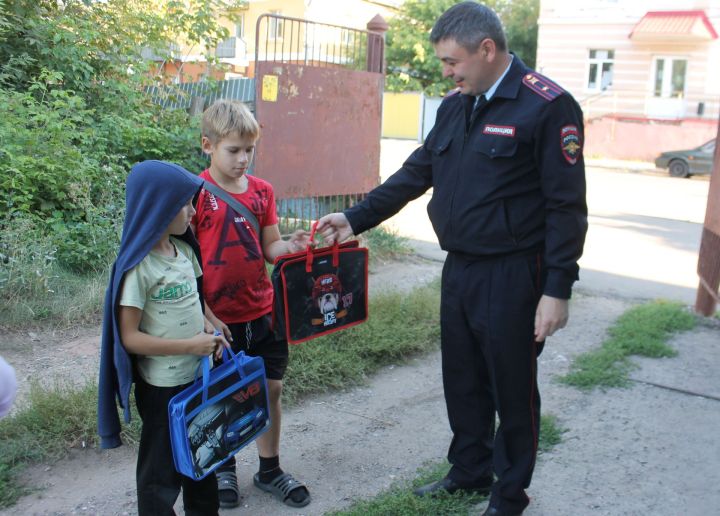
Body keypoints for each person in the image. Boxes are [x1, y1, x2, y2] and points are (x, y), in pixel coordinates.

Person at [317, 3, 587, 515]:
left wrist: (557, 288)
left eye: (450, 61)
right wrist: (353, 219)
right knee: (461, 377)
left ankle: (509, 493)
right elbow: (415, 173)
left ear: (487, 49)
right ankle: (469, 471)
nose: (446, 71)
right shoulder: (457, 104)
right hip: (460, 266)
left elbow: (566, 207)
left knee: (511, 384)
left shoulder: (546, 106)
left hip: (514, 272)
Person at [192, 99, 312, 509]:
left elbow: (270, 247)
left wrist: (290, 247)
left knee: (270, 390)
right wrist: (203, 316)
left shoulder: (263, 192)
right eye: (233, 150)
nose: (243, 159)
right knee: (222, 395)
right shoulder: (194, 195)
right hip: (217, 321)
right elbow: (184, 265)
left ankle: (269, 469)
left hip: (263, 311)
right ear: (208, 145)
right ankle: (224, 468)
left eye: (249, 150)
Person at [98, 160, 228, 515]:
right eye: (184, 204)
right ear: (157, 207)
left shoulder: (184, 252)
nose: (191, 211)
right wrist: (190, 345)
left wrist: (212, 325)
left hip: (196, 378)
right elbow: (130, 338)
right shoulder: (140, 268)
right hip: (162, 391)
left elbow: (195, 301)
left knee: (203, 458)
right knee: (161, 474)